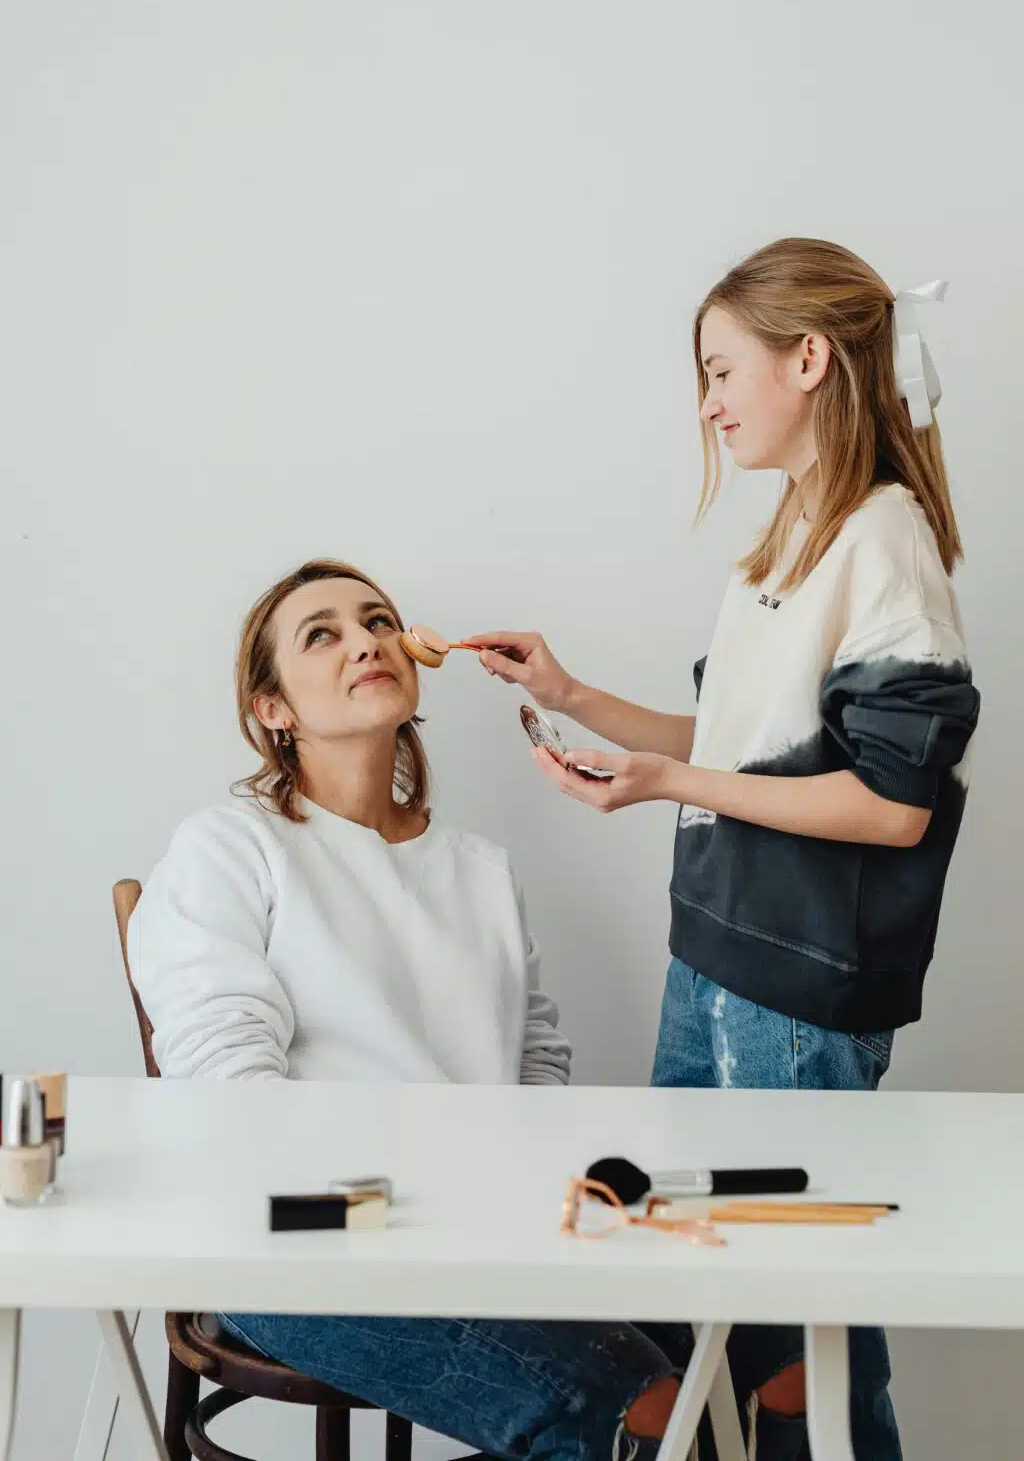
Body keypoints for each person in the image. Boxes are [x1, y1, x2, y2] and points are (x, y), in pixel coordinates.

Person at [466, 238, 981, 1460]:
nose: (704, 403)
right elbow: (752, 747)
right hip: (716, 961)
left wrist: (665, 784)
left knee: (800, 1328)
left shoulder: (880, 539)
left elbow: (888, 805)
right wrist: (578, 695)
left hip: (795, 990)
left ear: (808, 359)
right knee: (709, 1299)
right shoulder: (796, 534)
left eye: (718, 370)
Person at [129, 557, 806, 1461]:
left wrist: (519, 1208)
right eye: (321, 634)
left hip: (483, 1222)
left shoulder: (479, 868)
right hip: (296, 1240)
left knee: (762, 1362)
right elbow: (226, 1085)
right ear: (273, 709)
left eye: (377, 621)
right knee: (646, 1410)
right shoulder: (232, 846)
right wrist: (405, 1206)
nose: (365, 640)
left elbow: (535, 1060)